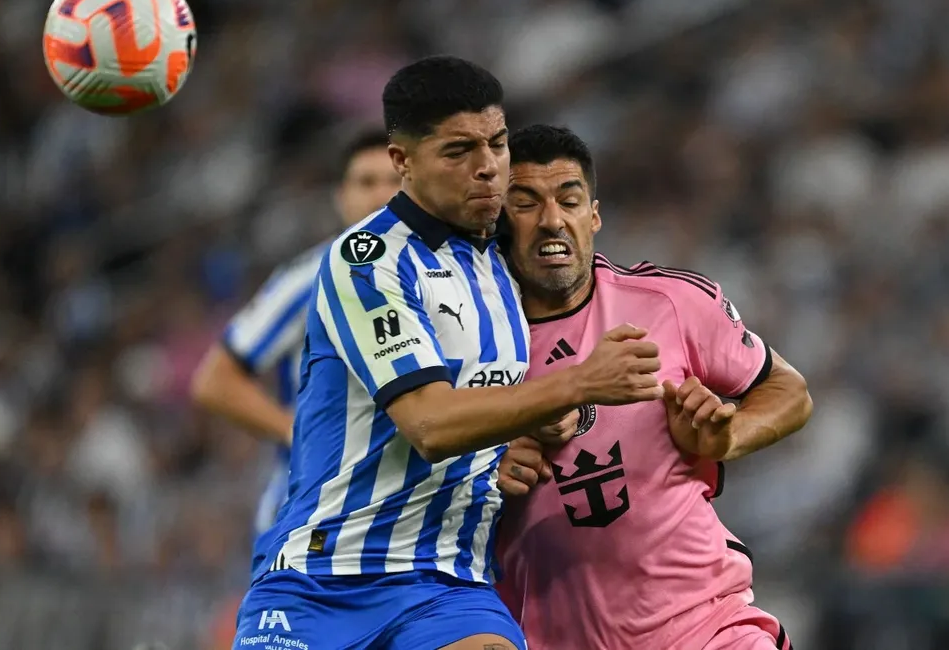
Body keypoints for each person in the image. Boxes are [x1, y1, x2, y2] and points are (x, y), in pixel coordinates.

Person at [231, 56, 667, 650]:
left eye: (497, 143)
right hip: (324, 580)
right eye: (459, 151)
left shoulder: (509, 259)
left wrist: (533, 429)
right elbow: (430, 424)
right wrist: (578, 384)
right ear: (402, 161)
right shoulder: (368, 260)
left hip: (447, 587)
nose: (488, 167)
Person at [494, 124, 813, 650]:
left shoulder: (666, 302)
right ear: (499, 219)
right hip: (551, 634)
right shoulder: (474, 340)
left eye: (569, 200)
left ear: (593, 215)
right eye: (526, 203)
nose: (552, 220)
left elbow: (789, 391)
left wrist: (726, 437)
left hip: (707, 626)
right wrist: (486, 466)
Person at [191, 129, 401, 574]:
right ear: (340, 197)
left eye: (394, 181)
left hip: (401, 516)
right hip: (309, 515)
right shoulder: (310, 280)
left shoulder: (444, 276)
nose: (381, 194)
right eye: (366, 182)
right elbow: (215, 379)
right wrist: (295, 431)